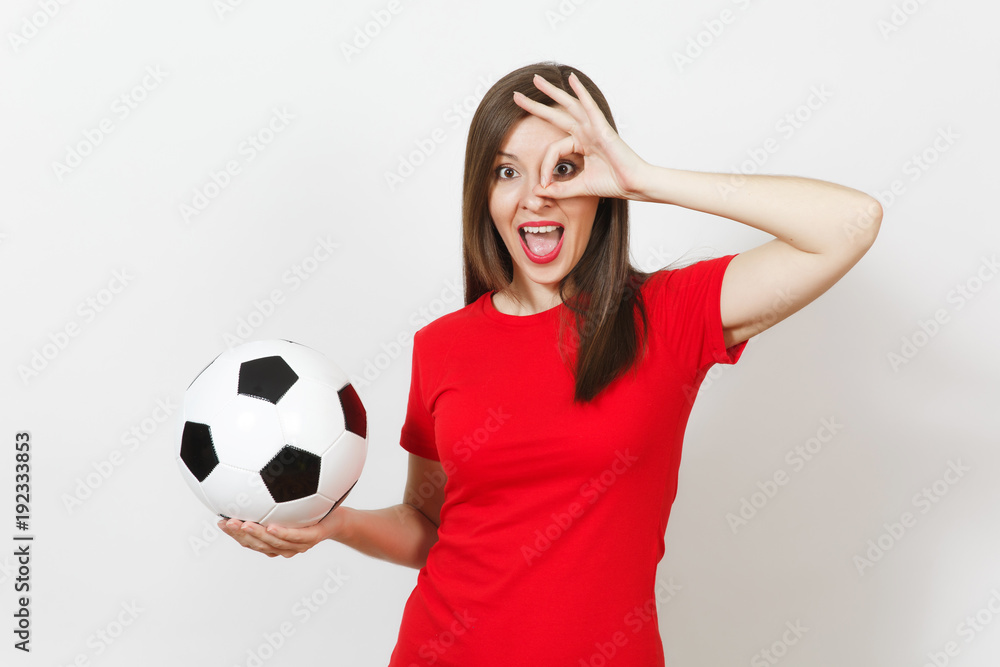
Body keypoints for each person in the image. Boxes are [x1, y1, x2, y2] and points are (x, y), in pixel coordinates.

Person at [218, 61, 882, 665]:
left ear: (602, 184)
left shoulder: (669, 315)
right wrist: (337, 525)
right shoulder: (440, 345)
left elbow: (850, 222)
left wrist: (645, 178)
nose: (536, 196)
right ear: (484, 194)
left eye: (564, 169)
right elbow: (431, 528)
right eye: (507, 171)